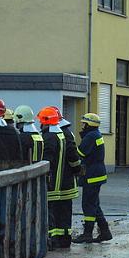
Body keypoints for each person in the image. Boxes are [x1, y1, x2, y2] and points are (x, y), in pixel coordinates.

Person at [40, 106, 80, 249]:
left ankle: (56, 240)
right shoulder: (64, 134)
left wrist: (77, 169)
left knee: (56, 212)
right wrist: (78, 169)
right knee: (64, 212)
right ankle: (64, 239)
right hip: (65, 182)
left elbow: (69, 157)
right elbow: (74, 158)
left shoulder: (55, 135)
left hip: (58, 183)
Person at [72, 113, 112, 244]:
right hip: (97, 173)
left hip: (92, 175)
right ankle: (105, 231)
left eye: (84, 123)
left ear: (89, 124)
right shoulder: (96, 134)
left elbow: (80, 153)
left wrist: (70, 148)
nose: (82, 125)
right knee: (94, 204)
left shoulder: (90, 136)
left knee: (88, 204)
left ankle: (87, 234)